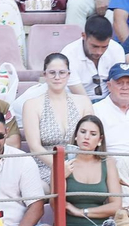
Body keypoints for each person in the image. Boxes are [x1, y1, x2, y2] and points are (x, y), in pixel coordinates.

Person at [23, 52, 94, 184]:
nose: (57, 77)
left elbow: (91, 139)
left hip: (79, 165)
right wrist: (60, 167)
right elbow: (35, 147)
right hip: (45, 168)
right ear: (45, 75)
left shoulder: (84, 102)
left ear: (68, 75)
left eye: (62, 72)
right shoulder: (31, 105)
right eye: (52, 73)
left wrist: (75, 167)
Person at [61, 115, 124, 226]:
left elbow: (116, 205)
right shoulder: (63, 162)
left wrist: (81, 212)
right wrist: (61, 177)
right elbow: (56, 205)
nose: (87, 137)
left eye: (93, 134)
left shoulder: (108, 162)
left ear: (100, 140)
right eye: (83, 132)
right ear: (76, 135)